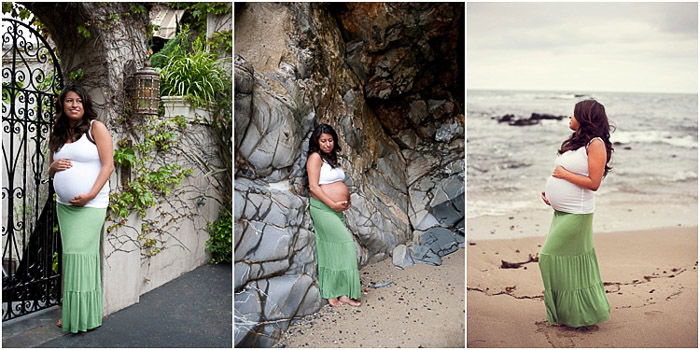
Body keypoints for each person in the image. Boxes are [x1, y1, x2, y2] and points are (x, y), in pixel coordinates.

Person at [539, 99, 613, 328]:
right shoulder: (577, 143)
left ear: (585, 117)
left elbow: (594, 183)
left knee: (548, 257)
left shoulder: (596, 143)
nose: (569, 118)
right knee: (568, 262)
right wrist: (552, 194)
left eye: (573, 114)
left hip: (578, 214)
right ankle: (572, 315)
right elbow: (568, 173)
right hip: (562, 212)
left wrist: (562, 176)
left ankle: (580, 313)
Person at [48, 85, 114, 332]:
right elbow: (51, 167)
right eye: (68, 101)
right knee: (74, 258)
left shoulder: (97, 128)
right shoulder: (58, 132)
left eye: (78, 100)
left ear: (85, 104)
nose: (74, 105)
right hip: (65, 206)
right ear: (62, 105)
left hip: (92, 204)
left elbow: (108, 166)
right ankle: (81, 311)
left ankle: (77, 314)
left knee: (80, 256)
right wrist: (53, 167)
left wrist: (90, 195)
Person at [305, 123, 361, 307]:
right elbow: (313, 187)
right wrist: (333, 203)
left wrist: (345, 202)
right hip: (322, 209)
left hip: (336, 210)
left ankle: (343, 293)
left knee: (336, 249)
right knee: (345, 244)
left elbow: (336, 183)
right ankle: (331, 292)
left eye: (330, 140)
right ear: (317, 141)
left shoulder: (331, 158)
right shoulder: (315, 158)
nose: (327, 144)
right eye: (323, 141)